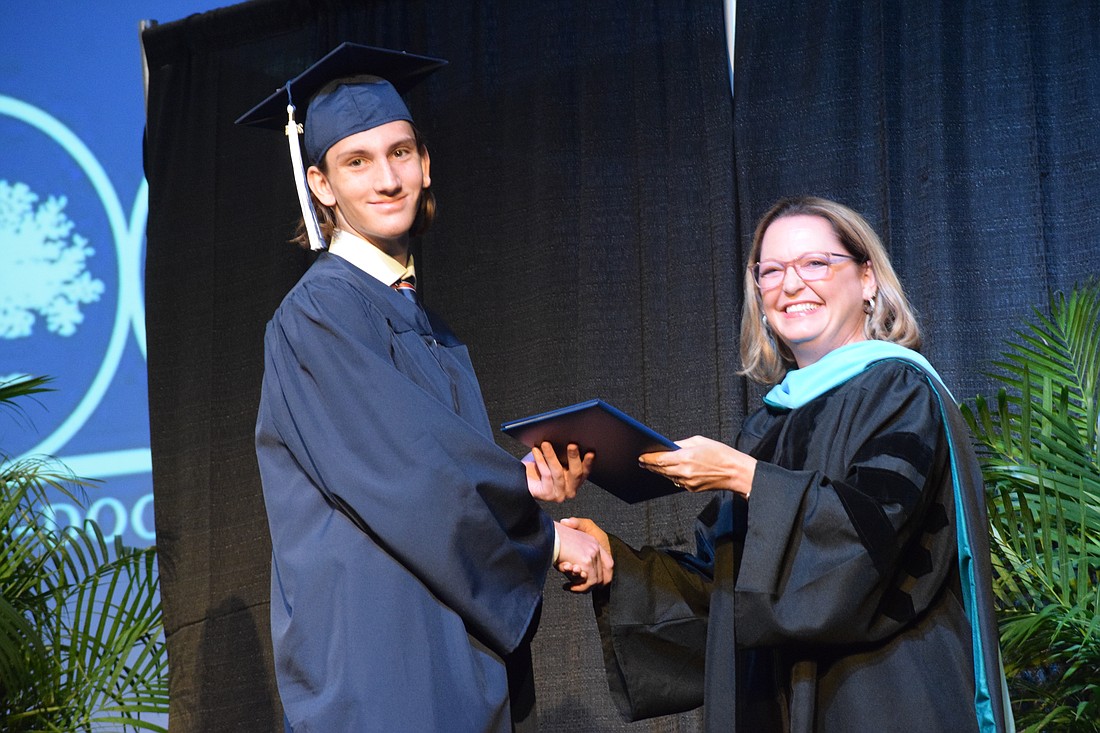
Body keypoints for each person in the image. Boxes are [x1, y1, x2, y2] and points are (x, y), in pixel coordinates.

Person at [236, 43, 607, 732]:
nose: (387, 178)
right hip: (378, 651)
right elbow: (410, 472)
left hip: (443, 633)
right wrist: (544, 537)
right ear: (320, 184)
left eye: (401, 152)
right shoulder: (319, 314)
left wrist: (526, 485)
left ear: (426, 162)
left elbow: (437, 462)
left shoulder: (423, 322)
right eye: (357, 161)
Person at [560, 196, 1013, 732]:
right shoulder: (769, 425)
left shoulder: (900, 388)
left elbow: (870, 538)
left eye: (815, 263)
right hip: (777, 703)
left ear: (867, 279)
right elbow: (725, 589)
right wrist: (609, 559)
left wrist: (744, 477)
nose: (790, 285)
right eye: (770, 271)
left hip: (884, 694)